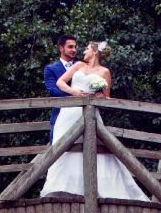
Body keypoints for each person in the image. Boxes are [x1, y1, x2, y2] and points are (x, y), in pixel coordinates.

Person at [40, 40, 150, 201]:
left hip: (90, 114)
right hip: (69, 113)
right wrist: (74, 92)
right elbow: (60, 82)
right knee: (63, 147)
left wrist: (98, 96)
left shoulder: (105, 72)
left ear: (95, 51)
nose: (82, 51)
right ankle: (60, 188)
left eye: (86, 48)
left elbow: (106, 97)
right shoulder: (77, 65)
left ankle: (93, 188)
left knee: (93, 147)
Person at [43, 34, 79, 142]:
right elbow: (52, 90)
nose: (74, 50)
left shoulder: (81, 66)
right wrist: (76, 94)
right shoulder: (51, 69)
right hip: (60, 114)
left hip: (82, 114)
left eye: (75, 47)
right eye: (70, 47)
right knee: (57, 150)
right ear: (61, 48)